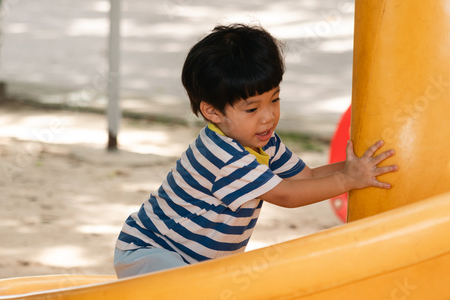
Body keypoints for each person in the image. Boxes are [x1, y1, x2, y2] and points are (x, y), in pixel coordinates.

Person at [113, 23, 398, 278]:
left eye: (274, 100)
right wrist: (348, 180)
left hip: (193, 263)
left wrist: (357, 169)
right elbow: (286, 194)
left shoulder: (261, 140)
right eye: (252, 108)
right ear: (212, 112)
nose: (268, 116)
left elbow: (306, 178)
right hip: (151, 252)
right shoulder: (223, 155)